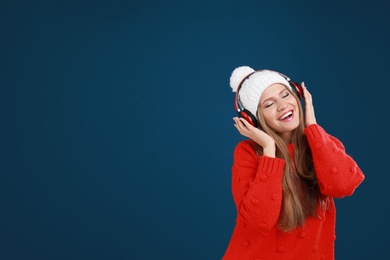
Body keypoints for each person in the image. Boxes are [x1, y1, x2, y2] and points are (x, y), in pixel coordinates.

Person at [222, 66, 365, 260]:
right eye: (269, 104)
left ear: (298, 94)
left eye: (285, 94)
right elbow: (261, 219)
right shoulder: (247, 153)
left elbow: (344, 186)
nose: (283, 106)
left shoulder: (320, 143)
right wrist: (269, 149)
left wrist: (313, 128)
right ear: (253, 119)